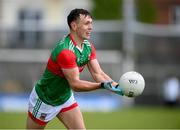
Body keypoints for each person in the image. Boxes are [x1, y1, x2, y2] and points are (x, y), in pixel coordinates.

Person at [26, 8, 124, 130]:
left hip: (65, 98)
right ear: (74, 25)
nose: (91, 27)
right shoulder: (66, 51)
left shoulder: (88, 46)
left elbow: (98, 73)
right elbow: (75, 84)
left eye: (91, 23)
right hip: (45, 100)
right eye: (86, 23)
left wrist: (120, 88)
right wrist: (101, 85)